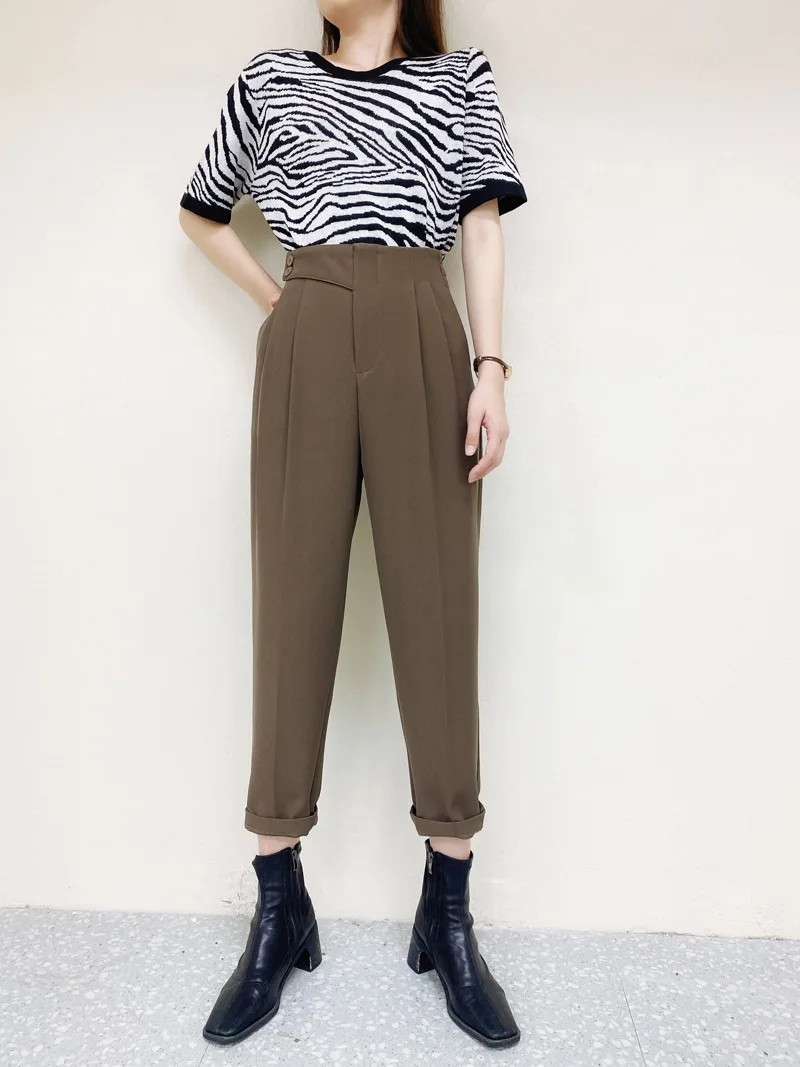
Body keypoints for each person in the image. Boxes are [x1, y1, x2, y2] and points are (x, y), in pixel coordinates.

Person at [178, 0, 527, 1050]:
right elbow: (201, 210)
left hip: (424, 326)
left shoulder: (459, 79)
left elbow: (479, 226)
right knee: (290, 609)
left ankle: (447, 910)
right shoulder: (271, 80)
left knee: (438, 612)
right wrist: (278, 300)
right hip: (308, 331)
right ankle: (277, 901)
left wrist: (490, 368)